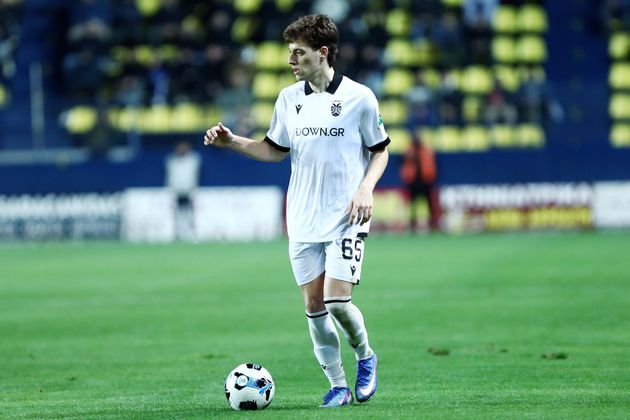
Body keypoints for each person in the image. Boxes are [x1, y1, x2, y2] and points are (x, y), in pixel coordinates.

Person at [203, 14, 389, 408]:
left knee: (337, 301)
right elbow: (274, 150)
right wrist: (233, 141)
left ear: (322, 53)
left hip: (347, 216)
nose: (291, 60)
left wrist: (365, 190)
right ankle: (338, 386)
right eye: (290, 53)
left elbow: (380, 151)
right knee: (314, 305)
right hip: (302, 217)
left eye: (298, 53)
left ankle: (365, 356)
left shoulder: (359, 98)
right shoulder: (289, 99)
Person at [399, 134, 440, 232]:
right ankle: (412, 223)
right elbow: (402, 164)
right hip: (414, 182)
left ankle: (433, 223)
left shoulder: (426, 151)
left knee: (429, 204)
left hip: (425, 182)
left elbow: (434, 165)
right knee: (413, 204)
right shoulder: (409, 152)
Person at [165, 140, 201, 241]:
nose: (181, 150)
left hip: (189, 192)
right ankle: (177, 233)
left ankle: (192, 233)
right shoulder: (171, 161)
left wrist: (194, 189)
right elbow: (170, 176)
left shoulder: (193, 160)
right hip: (176, 192)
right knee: (177, 214)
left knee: (190, 214)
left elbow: (194, 176)